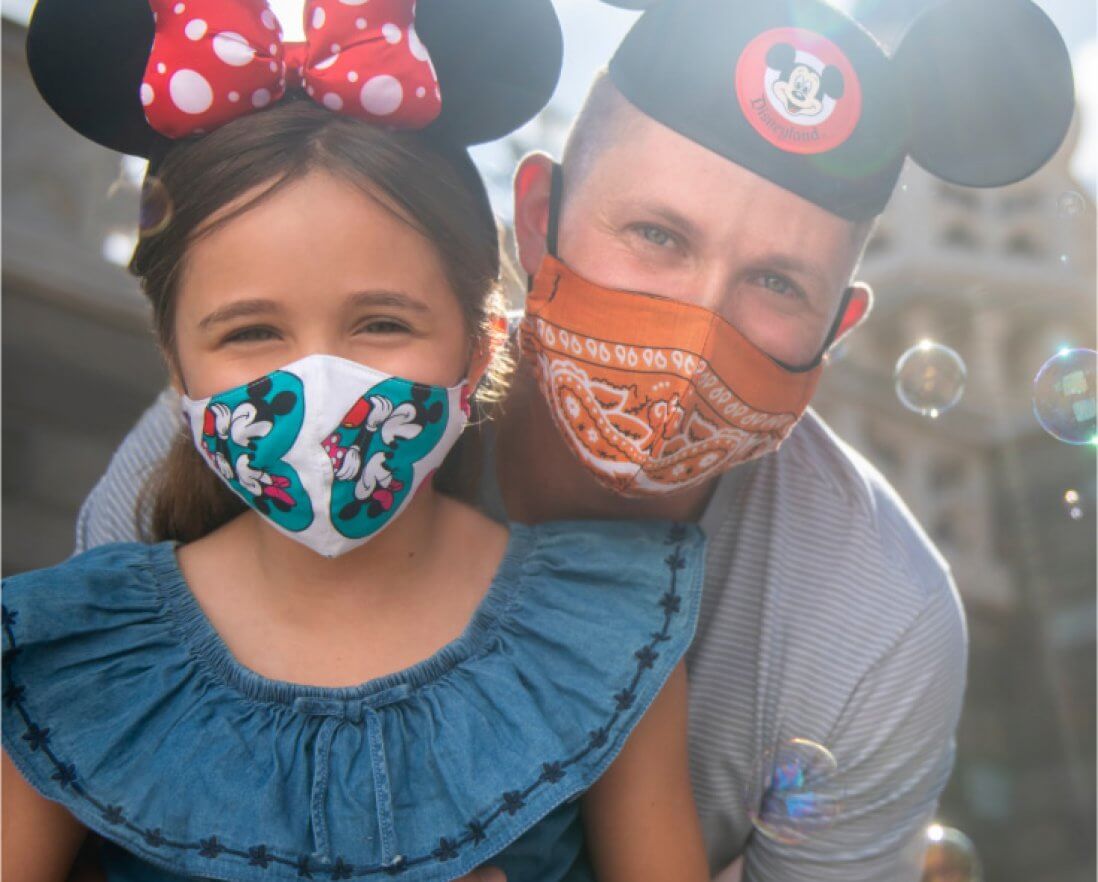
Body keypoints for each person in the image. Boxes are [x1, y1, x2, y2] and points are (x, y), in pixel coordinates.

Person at [70, 0, 1077, 879]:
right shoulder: (282, 435)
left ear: (836, 331)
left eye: (777, 283)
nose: (696, 329)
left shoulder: (876, 624)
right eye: (657, 237)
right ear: (539, 217)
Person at [2, 2, 715, 881]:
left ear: (482, 340)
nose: (321, 389)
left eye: (380, 322)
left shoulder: (601, 633)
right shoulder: (70, 656)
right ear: (176, 365)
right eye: (252, 333)